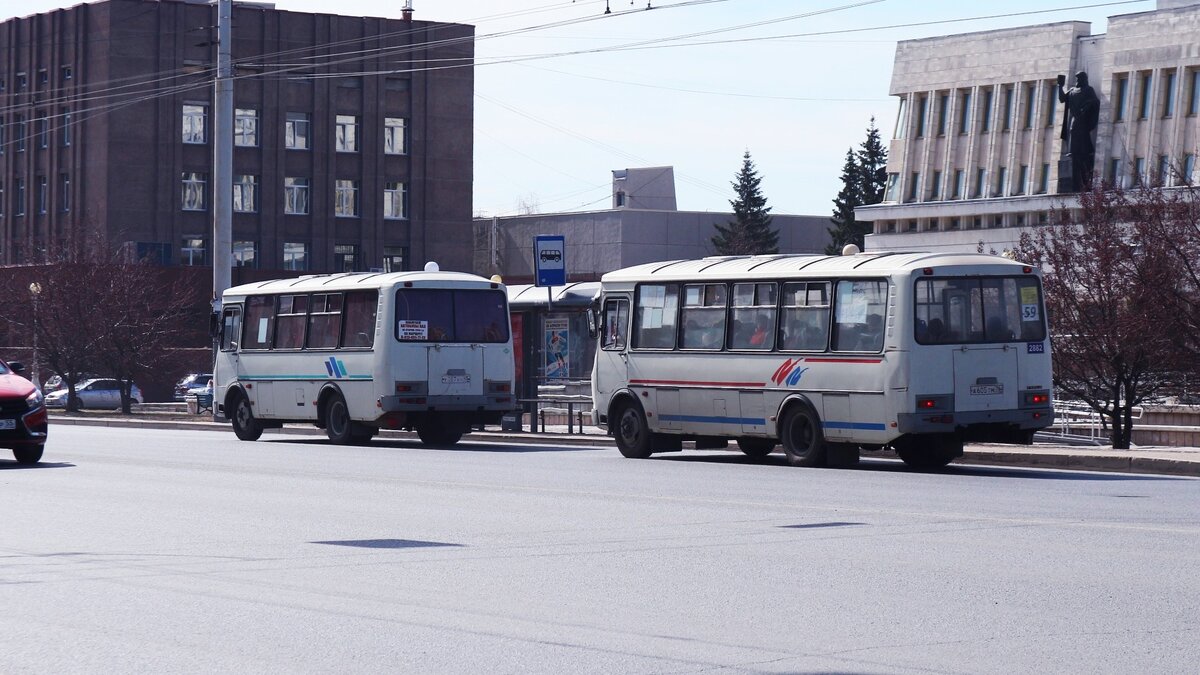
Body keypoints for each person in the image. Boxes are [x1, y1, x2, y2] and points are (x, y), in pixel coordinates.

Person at [1058, 71, 1100, 192]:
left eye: (1079, 79)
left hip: (1083, 124)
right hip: (1074, 123)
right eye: (1077, 79)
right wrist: (1060, 86)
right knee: (1074, 153)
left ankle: (1085, 181)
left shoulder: (1088, 90)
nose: (1077, 81)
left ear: (1084, 79)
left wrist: (1088, 105)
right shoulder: (1072, 91)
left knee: (1084, 152)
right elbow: (1062, 99)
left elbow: (1095, 102)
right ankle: (1078, 183)